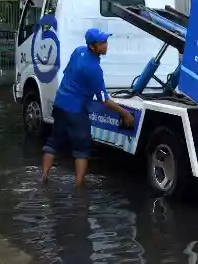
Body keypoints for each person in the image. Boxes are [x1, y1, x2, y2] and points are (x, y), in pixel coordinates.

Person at [40, 28, 135, 187]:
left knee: (53, 142)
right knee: (82, 149)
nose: (106, 45)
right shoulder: (94, 69)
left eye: (106, 41)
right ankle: (79, 188)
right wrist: (125, 114)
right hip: (76, 110)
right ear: (92, 46)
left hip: (60, 102)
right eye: (102, 43)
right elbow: (104, 99)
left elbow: (68, 73)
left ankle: (43, 178)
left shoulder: (78, 52)